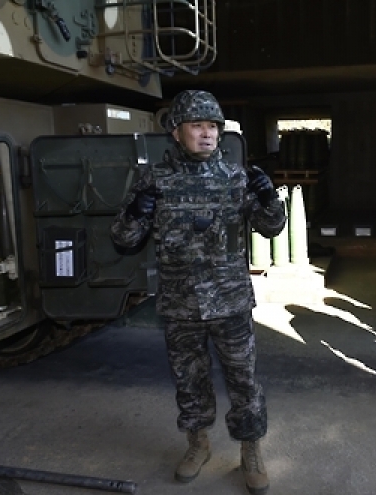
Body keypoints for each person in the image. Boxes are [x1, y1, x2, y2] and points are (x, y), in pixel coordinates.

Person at [110, 89, 286, 495]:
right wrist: (137, 208)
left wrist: (267, 194)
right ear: (176, 132)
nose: (207, 134)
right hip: (180, 303)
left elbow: (272, 227)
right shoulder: (155, 180)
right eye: (197, 126)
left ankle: (251, 449)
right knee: (189, 379)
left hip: (230, 302)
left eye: (212, 126)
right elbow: (123, 238)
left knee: (243, 379)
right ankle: (197, 445)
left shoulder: (237, 177)